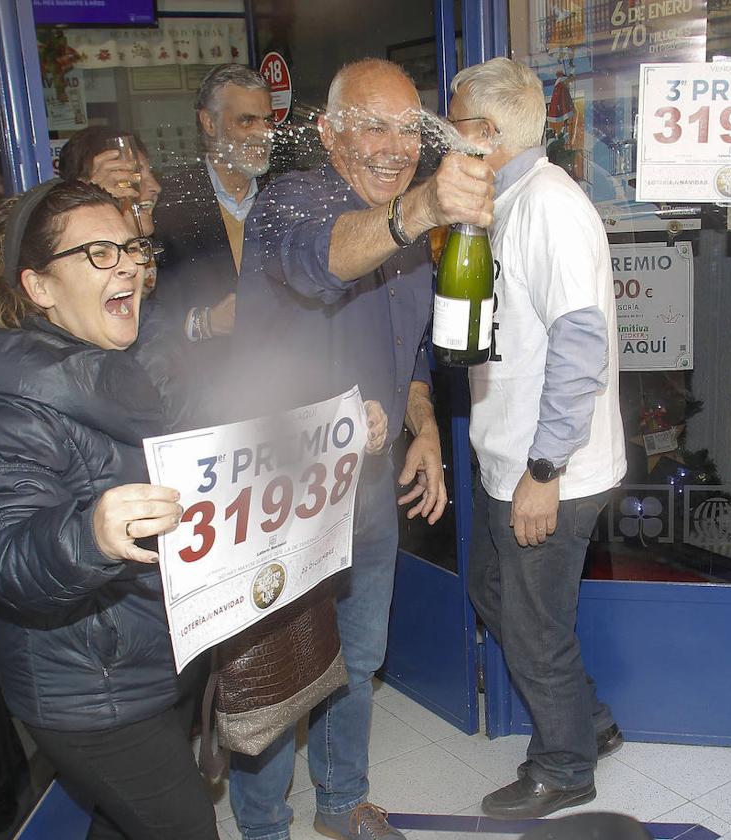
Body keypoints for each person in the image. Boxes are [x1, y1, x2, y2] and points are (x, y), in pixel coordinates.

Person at [228, 58, 495, 840]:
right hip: (281, 494)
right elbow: (326, 263)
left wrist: (422, 432)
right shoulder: (291, 203)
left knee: (359, 655)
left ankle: (341, 805)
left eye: (409, 128)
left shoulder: (410, 235)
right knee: (279, 678)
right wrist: (418, 208)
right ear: (328, 131)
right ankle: (263, 830)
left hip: (368, 490)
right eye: (372, 124)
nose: (393, 144)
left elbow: (412, 346)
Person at [0, 179, 218, 840]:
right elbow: (1, 552)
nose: (129, 263)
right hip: (93, 691)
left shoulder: (143, 361)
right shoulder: (6, 406)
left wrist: (338, 433)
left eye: (131, 246)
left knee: (126, 824)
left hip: (159, 651)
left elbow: (215, 446)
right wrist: (89, 534)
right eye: (99, 253)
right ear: (39, 287)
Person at [450, 58, 627, 819]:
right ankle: (585, 725)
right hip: (510, 459)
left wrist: (544, 472)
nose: (440, 136)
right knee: (495, 593)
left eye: (451, 124)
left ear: (486, 134)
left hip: (550, 467)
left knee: (533, 621)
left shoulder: (548, 206)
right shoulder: (507, 199)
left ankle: (563, 767)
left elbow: (580, 348)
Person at [152, 63, 275, 422]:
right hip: (207, 406)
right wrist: (205, 323)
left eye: (267, 121)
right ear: (209, 124)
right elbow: (145, 321)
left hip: (287, 393)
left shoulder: (286, 196)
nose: (262, 134)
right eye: (246, 121)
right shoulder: (169, 206)